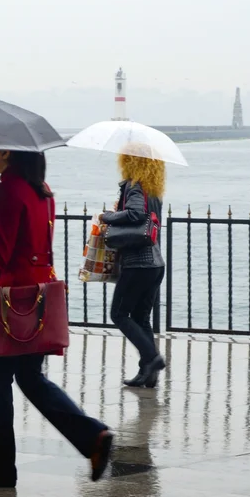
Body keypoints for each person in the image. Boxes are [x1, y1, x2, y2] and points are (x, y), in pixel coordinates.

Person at [0, 149, 113, 488]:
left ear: (8, 153)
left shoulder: (5, 191)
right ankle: (92, 436)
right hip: (38, 292)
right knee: (30, 377)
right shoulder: (42, 190)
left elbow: (0, 251)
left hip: (12, 299)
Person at [101, 154, 166, 388]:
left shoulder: (135, 185)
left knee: (118, 314)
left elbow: (135, 214)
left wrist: (107, 216)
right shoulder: (154, 188)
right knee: (141, 318)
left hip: (138, 264)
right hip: (155, 264)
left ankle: (153, 358)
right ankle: (148, 373)